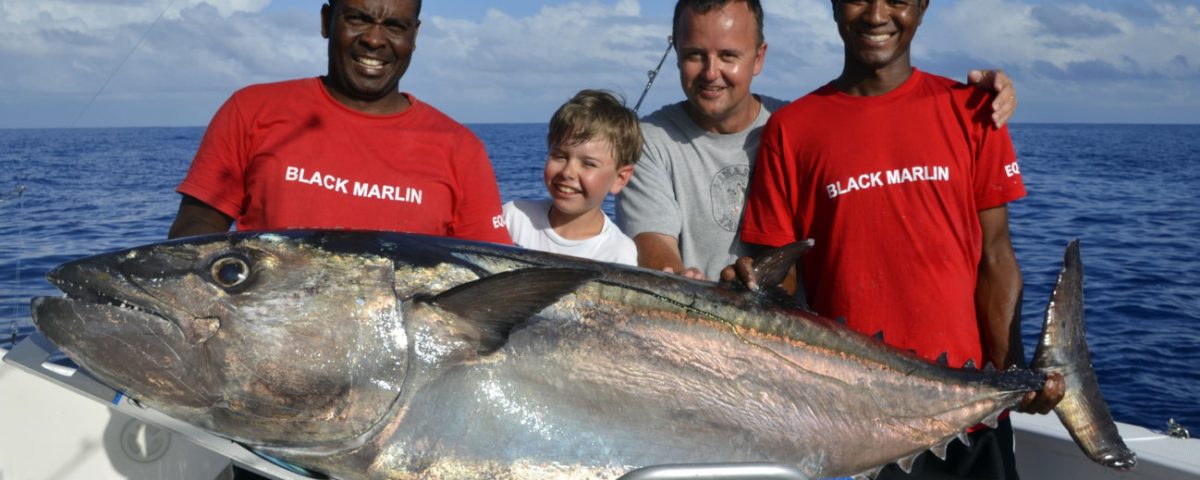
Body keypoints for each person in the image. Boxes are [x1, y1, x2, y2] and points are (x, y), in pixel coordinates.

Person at [735, 0, 1063, 477]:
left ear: (923, 7)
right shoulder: (790, 130)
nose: (876, 15)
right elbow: (780, 285)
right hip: (856, 428)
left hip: (973, 422)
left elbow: (996, 258)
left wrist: (1010, 375)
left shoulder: (973, 110)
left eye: (899, 0)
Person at [616, 0, 1018, 281]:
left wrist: (977, 100)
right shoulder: (649, 141)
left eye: (728, 56)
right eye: (694, 55)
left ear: (758, 58)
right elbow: (654, 248)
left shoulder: (796, 126)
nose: (711, 72)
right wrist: (675, 277)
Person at [168, 0, 509, 245]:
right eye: (358, 19)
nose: (374, 39)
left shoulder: (460, 147)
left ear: (414, 36)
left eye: (394, 26)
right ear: (326, 20)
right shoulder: (250, 109)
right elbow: (196, 228)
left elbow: (489, 278)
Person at [503, 90, 641, 265]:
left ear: (620, 178)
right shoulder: (514, 217)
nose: (567, 172)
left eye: (588, 164)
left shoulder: (619, 252)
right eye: (560, 156)